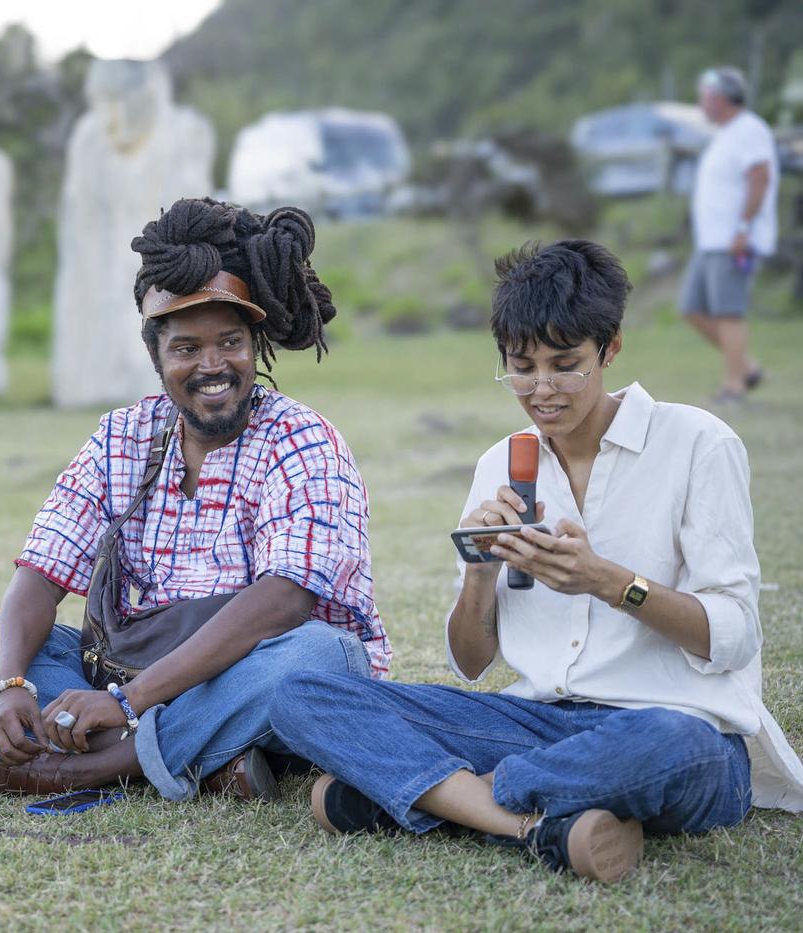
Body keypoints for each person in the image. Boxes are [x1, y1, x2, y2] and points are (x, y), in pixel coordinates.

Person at [270, 240, 803, 883]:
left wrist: (607, 582)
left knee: (675, 747)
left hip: (673, 728)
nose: (542, 390)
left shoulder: (698, 443)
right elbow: (471, 662)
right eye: (521, 368)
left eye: (566, 365)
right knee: (301, 694)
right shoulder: (502, 463)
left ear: (610, 350)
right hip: (536, 723)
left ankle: (441, 795)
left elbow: (735, 636)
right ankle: (526, 824)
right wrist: (479, 571)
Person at [0, 198, 390, 801]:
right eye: (185, 349)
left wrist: (126, 703)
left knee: (324, 658)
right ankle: (211, 758)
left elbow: (285, 600)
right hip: (132, 671)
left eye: (230, 342)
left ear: (255, 346)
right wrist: (10, 682)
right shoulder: (121, 434)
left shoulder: (301, 437)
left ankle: (89, 768)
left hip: (252, 669)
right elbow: (41, 573)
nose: (212, 365)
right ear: (156, 356)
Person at [680, 66, 779, 404]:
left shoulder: (749, 130)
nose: (702, 104)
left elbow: (760, 177)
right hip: (710, 241)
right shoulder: (724, 134)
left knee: (728, 312)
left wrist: (743, 228)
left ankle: (734, 387)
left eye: (705, 97)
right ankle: (747, 368)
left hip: (734, 240)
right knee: (692, 307)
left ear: (721, 98)